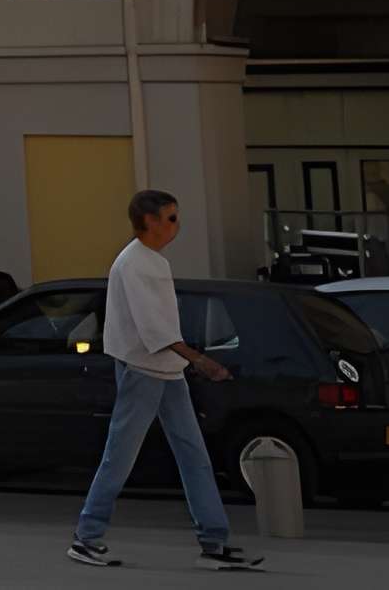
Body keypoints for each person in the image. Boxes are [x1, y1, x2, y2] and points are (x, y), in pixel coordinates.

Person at [69, 188, 263, 571]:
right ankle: (86, 537)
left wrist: (187, 362)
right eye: (171, 218)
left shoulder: (152, 261)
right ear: (151, 221)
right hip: (143, 371)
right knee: (120, 457)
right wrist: (199, 361)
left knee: (194, 456)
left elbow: (158, 327)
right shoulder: (134, 264)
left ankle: (214, 542)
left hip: (167, 371)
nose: (177, 225)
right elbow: (152, 328)